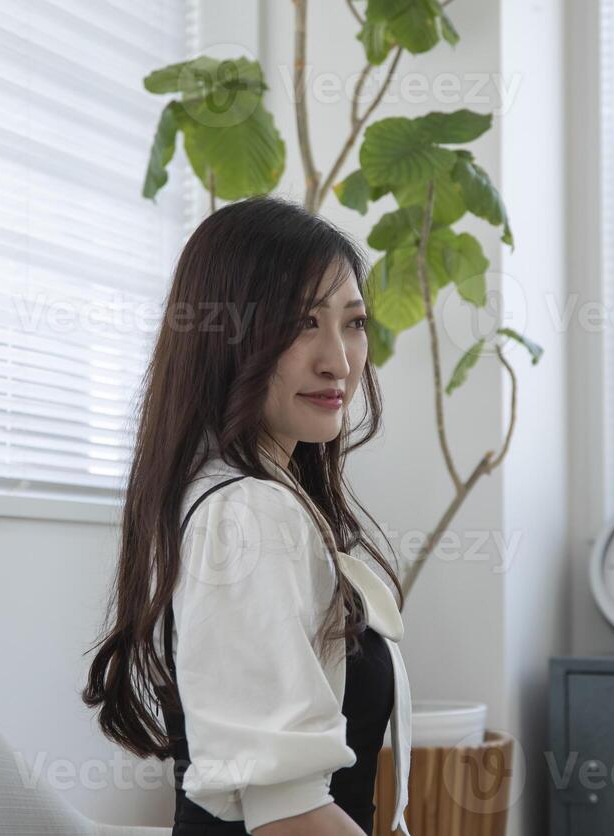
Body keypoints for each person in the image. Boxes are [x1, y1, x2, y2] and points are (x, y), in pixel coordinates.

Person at [83, 196, 412, 836]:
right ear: (224, 337)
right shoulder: (246, 513)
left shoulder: (242, 495)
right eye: (300, 324)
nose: (339, 361)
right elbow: (288, 819)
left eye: (353, 322)